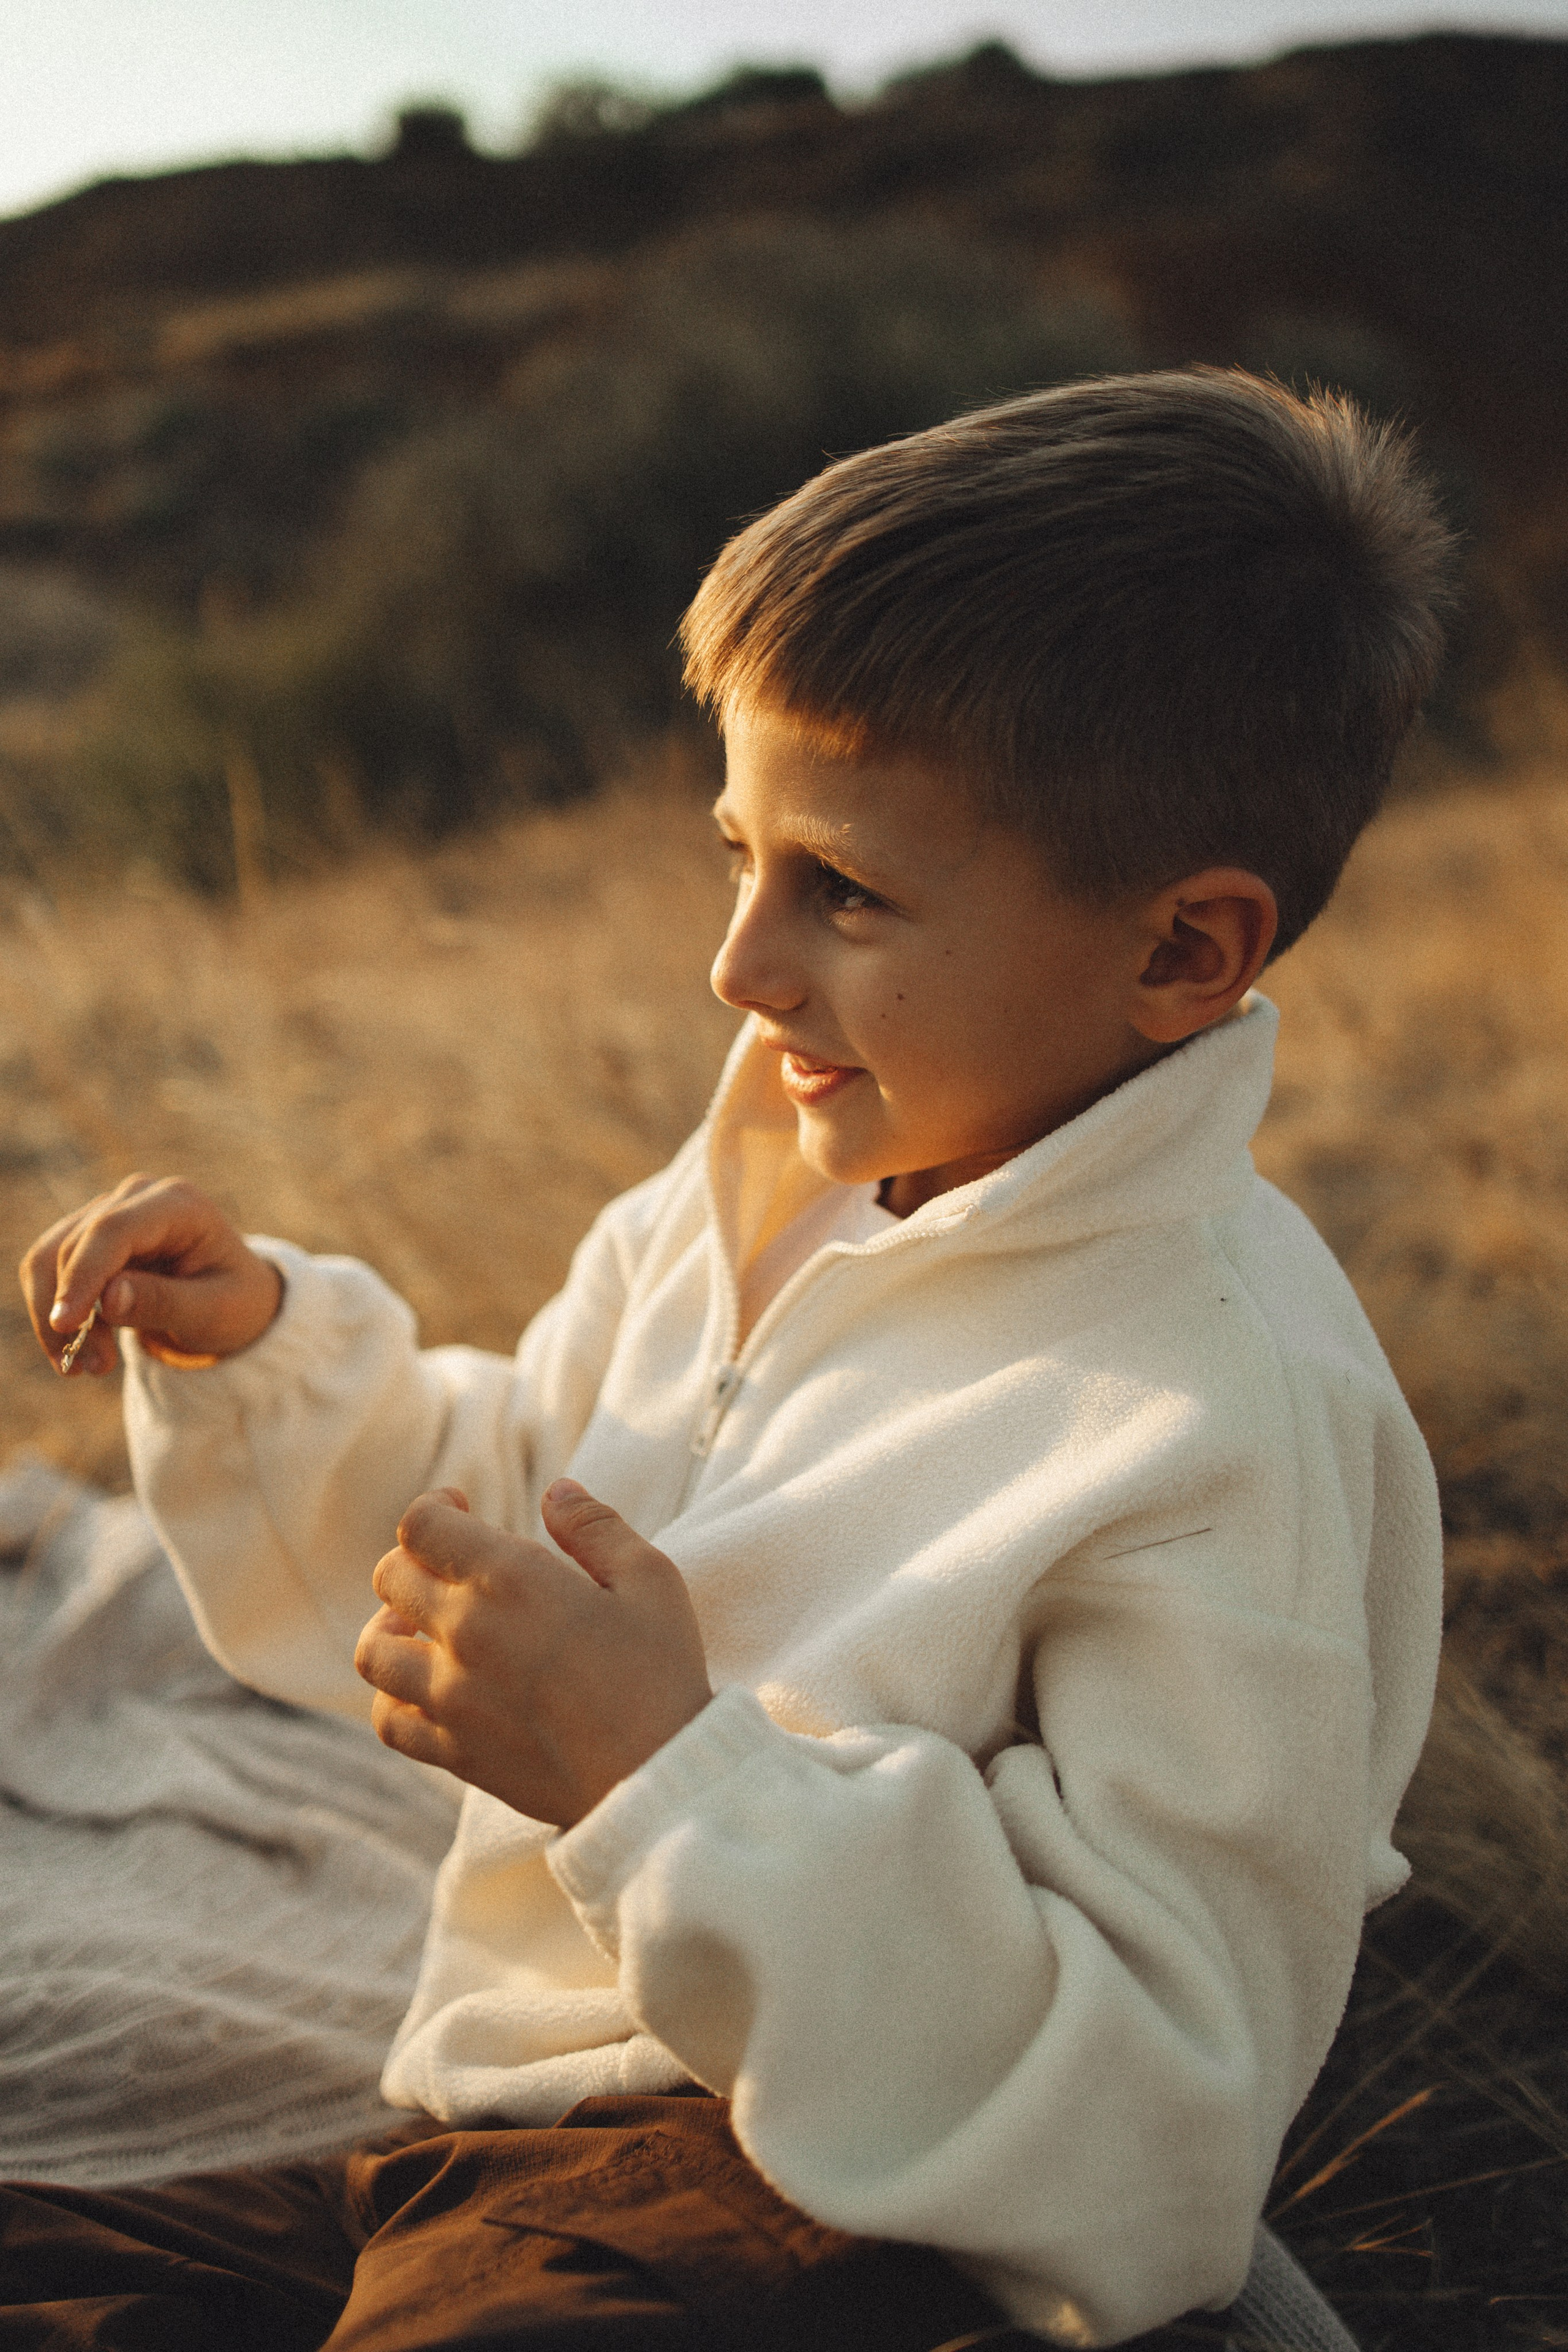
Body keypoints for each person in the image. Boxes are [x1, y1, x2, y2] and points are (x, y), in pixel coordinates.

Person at [9, 369, 1450, 2351]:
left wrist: (659, 1770)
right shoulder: (771, 1173)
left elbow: (1156, 2103)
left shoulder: (1219, 1421)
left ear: (1185, 955)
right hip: (498, 2127)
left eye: (843, 889)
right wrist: (267, 1356)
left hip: (829, 2205)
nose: (741, 967)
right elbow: (526, 1511)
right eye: (738, 854)